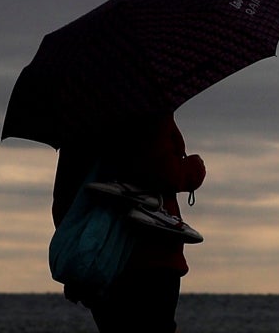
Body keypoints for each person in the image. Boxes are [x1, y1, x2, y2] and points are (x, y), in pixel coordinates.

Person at [53, 113, 206, 333]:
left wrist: (79, 259)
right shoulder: (148, 110)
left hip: (97, 259)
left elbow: (65, 201)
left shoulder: (81, 118)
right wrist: (194, 169)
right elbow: (163, 171)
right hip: (151, 256)